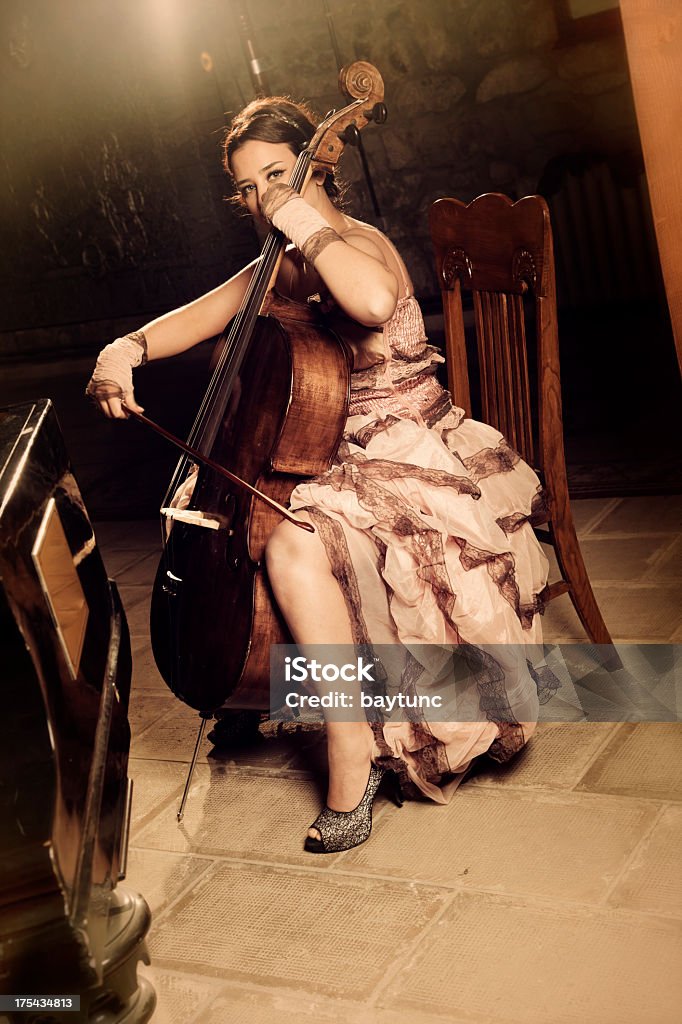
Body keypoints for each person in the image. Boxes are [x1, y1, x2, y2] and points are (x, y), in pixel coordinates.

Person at [87, 96, 554, 854]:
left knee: (291, 543)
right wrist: (126, 348)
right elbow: (200, 315)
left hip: (411, 447)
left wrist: (291, 209)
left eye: (276, 174)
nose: (260, 196)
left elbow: (368, 299)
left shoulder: (353, 243)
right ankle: (260, 685)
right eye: (246, 187)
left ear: (316, 168)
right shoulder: (278, 261)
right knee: (251, 510)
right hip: (334, 448)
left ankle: (350, 749)